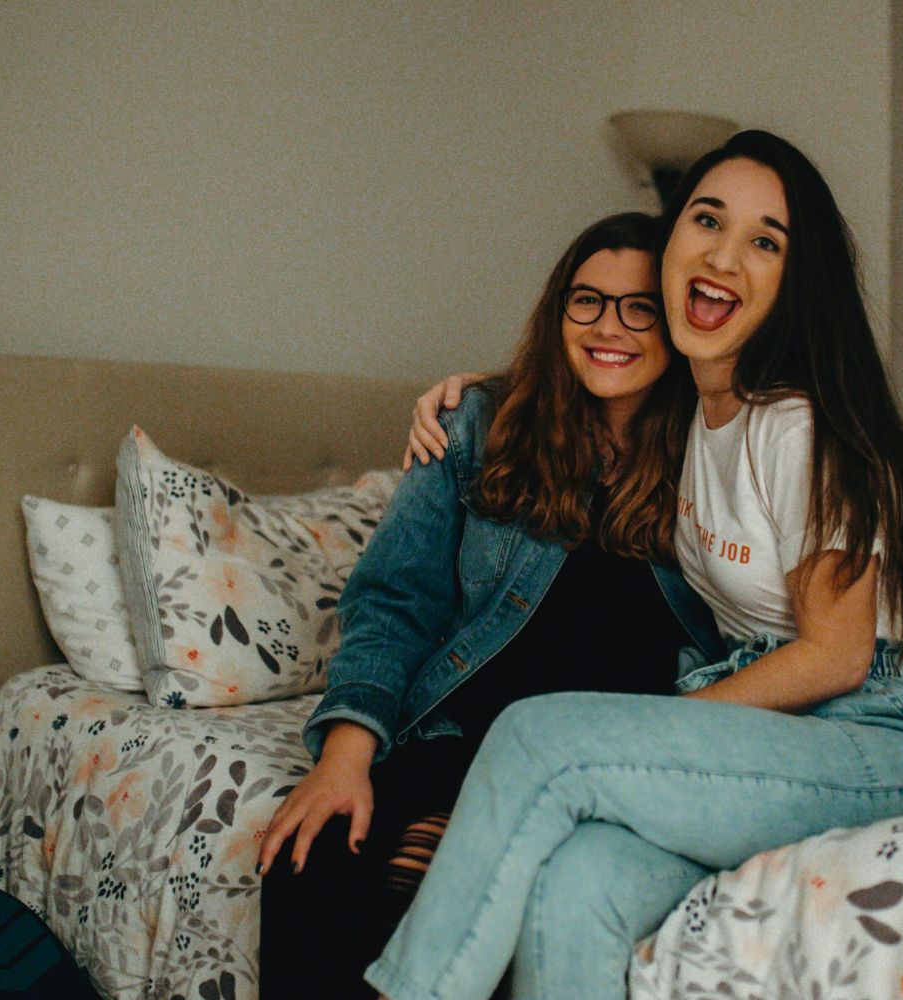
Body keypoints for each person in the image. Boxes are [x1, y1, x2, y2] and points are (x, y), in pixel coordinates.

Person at [378, 129, 903, 1000]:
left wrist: (670, 726)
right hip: (787, 732)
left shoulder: (797, 425)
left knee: (539, 737)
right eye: (708, 221)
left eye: (765, 241)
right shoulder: (692, 416)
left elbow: (838, 655)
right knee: (572, 885)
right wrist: (471, 392)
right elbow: (586, 366)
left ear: (792, 283)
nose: (727, 257)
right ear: (670, 252)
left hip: (879, 734)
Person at [253, 211, 725, 998]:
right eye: (588, 301)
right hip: (459, 732)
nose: (610, 326)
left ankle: (456, 846)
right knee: (312, 851)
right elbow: (394, 599)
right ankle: (442, 832)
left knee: (519, 891)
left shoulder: (720, 452)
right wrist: (344, 754)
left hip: (609, 759)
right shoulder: (477, 424)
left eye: (640, 306)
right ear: (557, 313)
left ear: (677, 322)